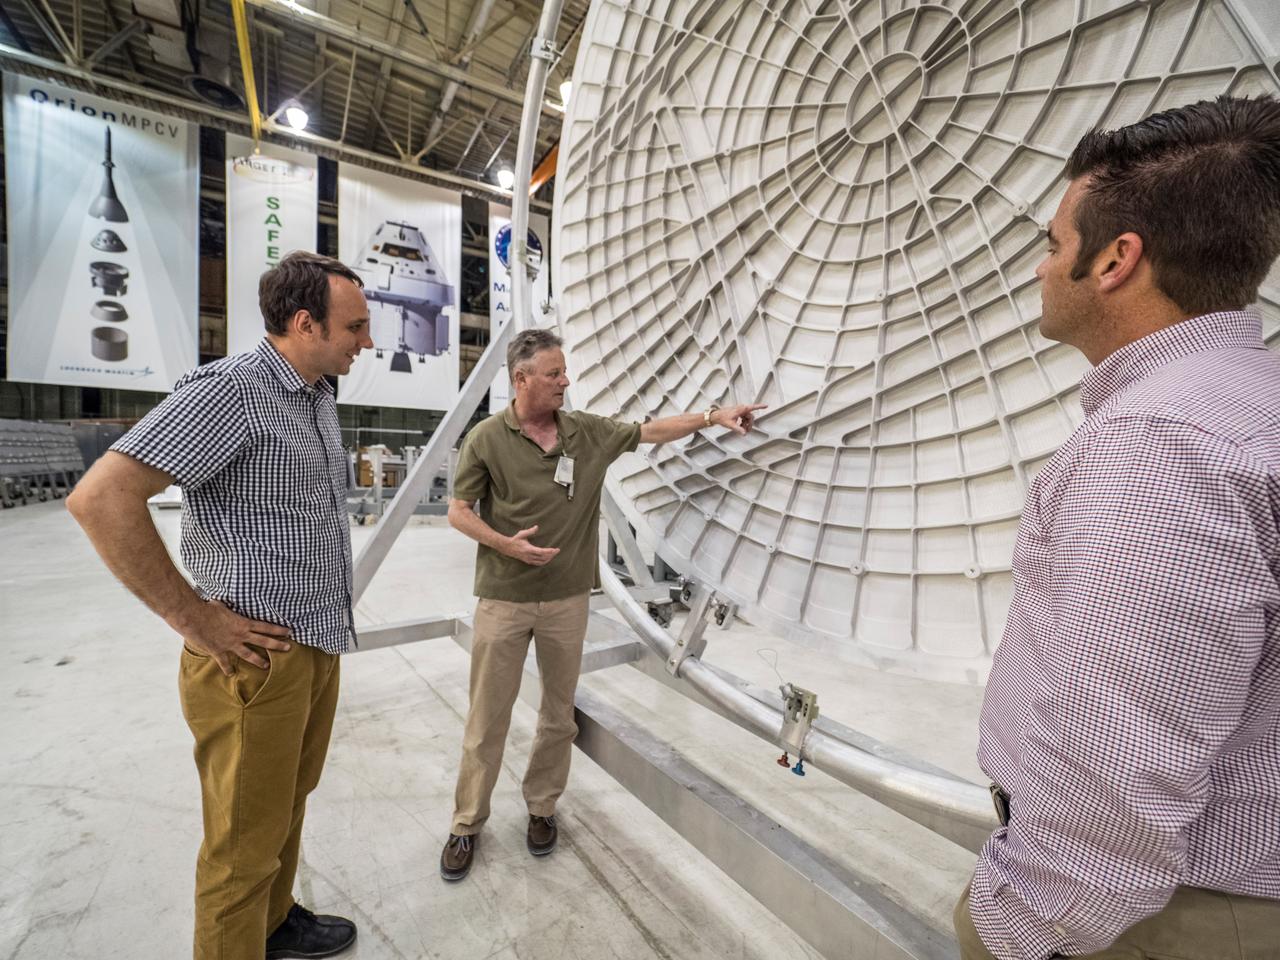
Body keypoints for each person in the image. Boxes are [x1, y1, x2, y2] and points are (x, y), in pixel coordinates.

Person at [954, 96, 1280, 959]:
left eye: (1054, 244)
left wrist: (1026, 928)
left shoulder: (1161, 444)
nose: (1039, 266)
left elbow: (1119, 759)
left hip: (1159, 915)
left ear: (1115, 261)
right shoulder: (1253, 404)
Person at [67, 251, 374, 960]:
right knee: (240, 847)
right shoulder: (231, 392)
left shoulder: (316, 393)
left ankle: (274, 923)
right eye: (355, 327)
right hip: (252, 662)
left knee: (285, 805)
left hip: (316, 642)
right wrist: (193, 617)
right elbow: (102, 499)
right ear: (305, 323)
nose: (367, 342)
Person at [439, 327, 765, 879]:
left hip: (567, 602)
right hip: (504, 601)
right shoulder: (487, 439)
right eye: (554, 374)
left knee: (557, 716)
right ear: (522, 380)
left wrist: (712, 416)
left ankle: (542, 808)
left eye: (564, 372)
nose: (565, 381)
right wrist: (504, 544)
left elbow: (649, 431)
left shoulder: (584, 433)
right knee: (486, 720)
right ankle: (466, 823)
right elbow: (459, 510)